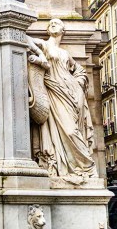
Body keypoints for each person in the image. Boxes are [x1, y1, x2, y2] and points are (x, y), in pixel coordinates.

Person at [27, 19, 97, 188]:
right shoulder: (44, 45)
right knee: (70, 131)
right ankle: (84, 166)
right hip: (54, 91)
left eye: (57, 23)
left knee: (74, 128)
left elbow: (79, 71)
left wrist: (78, 84)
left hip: (71, 92)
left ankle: (79, 169)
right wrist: (40, 56)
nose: (53, 23)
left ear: (63, 29)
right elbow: (24, 37)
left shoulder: (65, 53)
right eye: (50, 23)